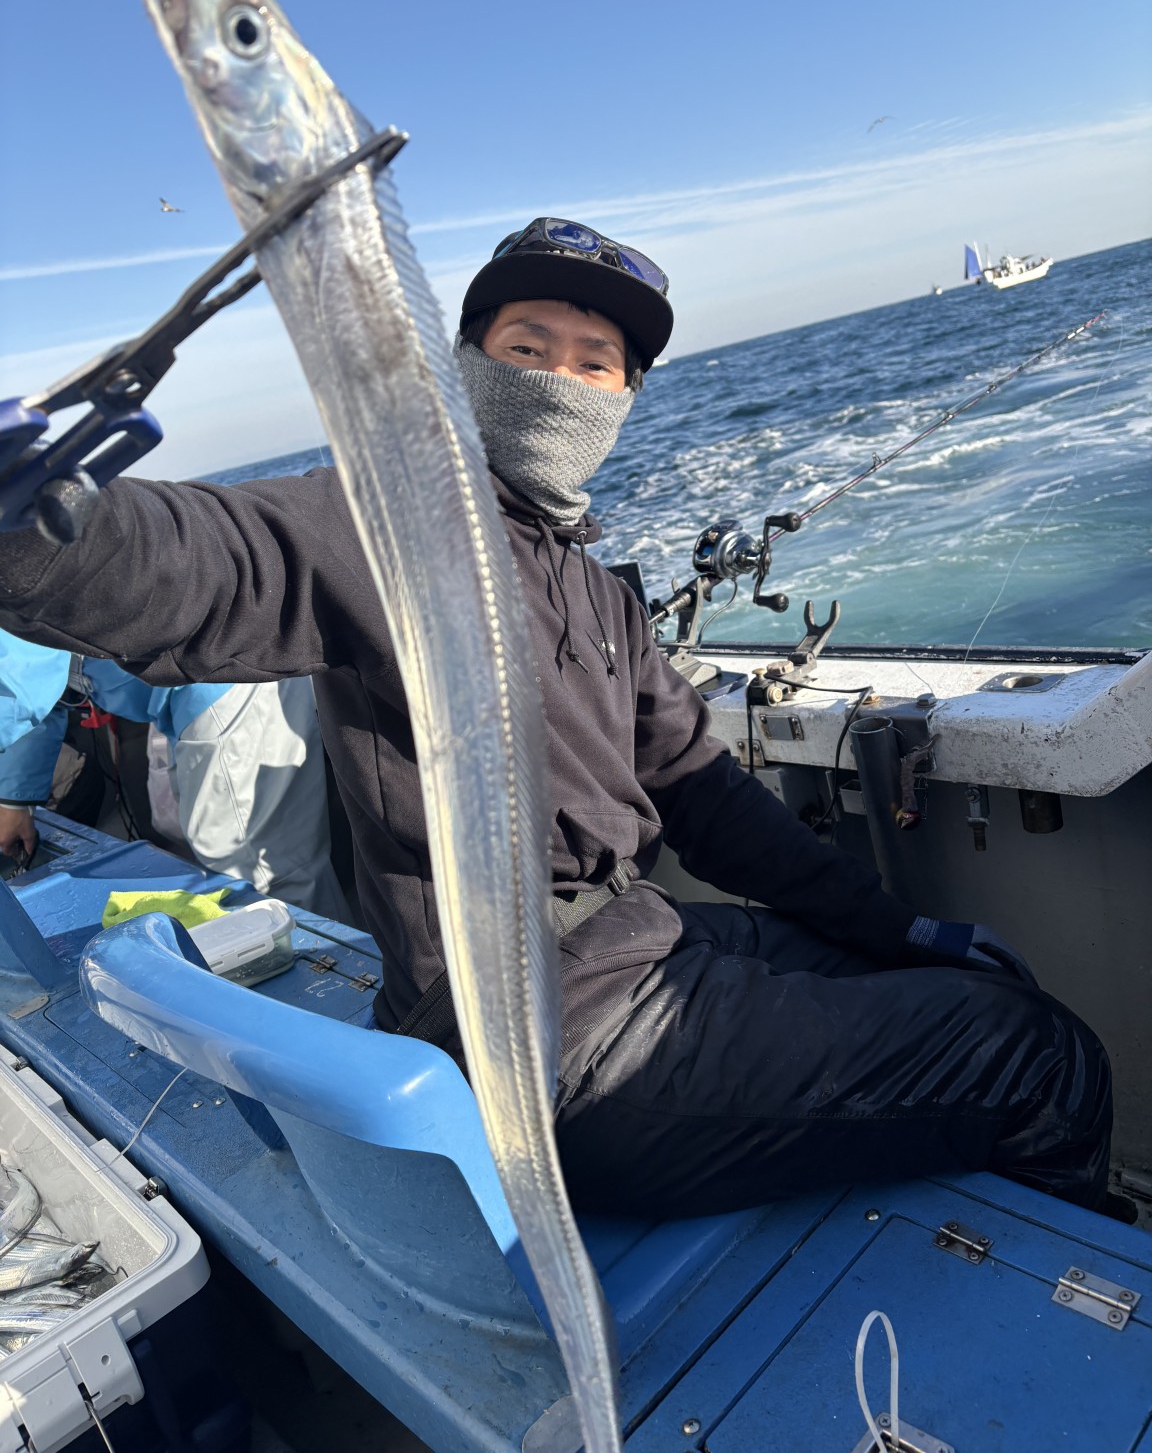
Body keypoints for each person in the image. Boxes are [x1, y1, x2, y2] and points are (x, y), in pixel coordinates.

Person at [0, 218, 1111, 1218]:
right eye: (526, 349)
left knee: (959, 986)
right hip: (539, 1037)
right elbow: (202, 562)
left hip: (639, 940)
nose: (559, 381)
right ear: (464, 366)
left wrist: (901, 929)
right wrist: (36, 526)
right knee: (1044, 1054)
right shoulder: (391, 527)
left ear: (626, 395)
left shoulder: (597, 593)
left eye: (594, 363)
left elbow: (706, 797)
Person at [0, 633, 348, 921]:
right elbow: (40, 689)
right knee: (239, 860)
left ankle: (328, 977)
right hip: (187, 692)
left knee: (260, 874)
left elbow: (17, 681)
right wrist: (13, 800)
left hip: (224, 677)